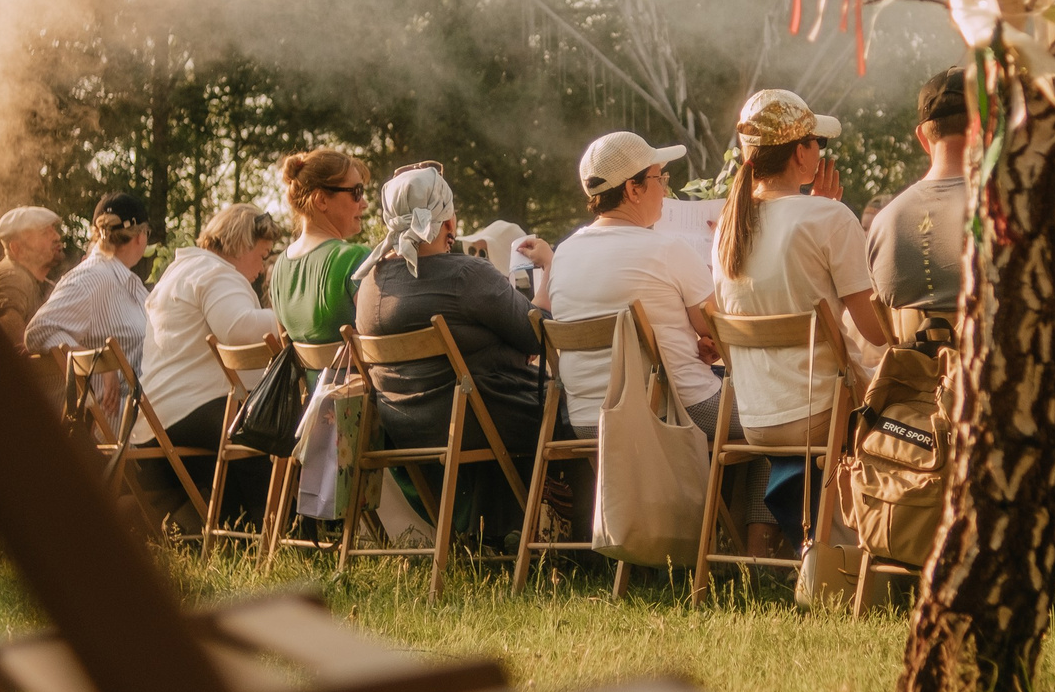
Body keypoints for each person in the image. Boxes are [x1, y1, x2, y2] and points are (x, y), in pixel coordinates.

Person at [712, 90, 889, 556]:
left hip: (755, 419)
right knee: (916, 394)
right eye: (817, 143)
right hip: (819, 415)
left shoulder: (729, 229)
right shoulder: (828, 217)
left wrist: (817, 209)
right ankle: (879, 546)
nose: (820, 153)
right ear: (800, 152)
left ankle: (819, 545)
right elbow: (875, 331)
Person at [353, 164, 554, 546]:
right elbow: (537, 333)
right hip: (474, 420)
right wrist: (549, 268)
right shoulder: (466, 274)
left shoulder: (370, 284)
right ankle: (561, 538)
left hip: (403, 426)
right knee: (563, 409)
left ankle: (493, 535)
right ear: (447, 223)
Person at [550, 131, 723, 436]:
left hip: (589, 422)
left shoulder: (563, 253)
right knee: (762, 419)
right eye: (661, 179)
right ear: (633, 189)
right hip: (673, 410)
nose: (665, 191)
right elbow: (721, 330)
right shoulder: (667, 249)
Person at [139, 202, 285, 525]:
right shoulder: (216, 273)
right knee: (271, 430)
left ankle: (241, 533)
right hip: (193, 409)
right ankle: (279, 531)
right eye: (262, 256)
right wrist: (294, 317)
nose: (261, 269)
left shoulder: (180, 272)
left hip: (156, 415)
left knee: (244, 428)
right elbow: (239, 328)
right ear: (243, 243)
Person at [867, 67, 970, 313]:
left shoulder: (883, 223)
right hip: (1000, 352)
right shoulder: (1016, 212)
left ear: (922, 138)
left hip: (913, 351)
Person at [24, 191, 152, 371]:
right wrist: (98, 363)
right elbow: (38, 330)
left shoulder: (129, 283)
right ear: (140, 236)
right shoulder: (89, 280)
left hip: (150, 393)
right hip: (118, 399)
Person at [270, 148, 373, 347]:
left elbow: (287, 349)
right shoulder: (356, 259)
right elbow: (379, 345)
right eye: (357, 193)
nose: (365, 203)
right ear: (321, 200)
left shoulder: (279, 267)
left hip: (306, 380)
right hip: (352, 378)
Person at [0, 205, 63, 344]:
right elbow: (16, 350)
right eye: (44, 233)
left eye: (53, 230)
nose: (57, 237)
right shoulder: (11, 279)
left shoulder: (38, 282)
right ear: (17, 248)